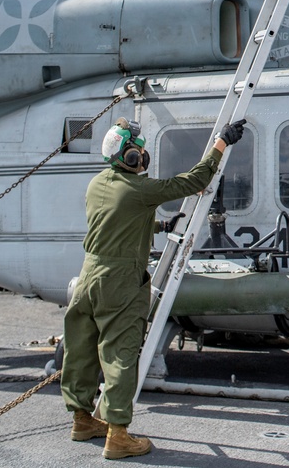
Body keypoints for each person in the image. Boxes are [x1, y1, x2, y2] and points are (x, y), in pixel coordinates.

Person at [60, 117, 246, 460]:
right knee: (120, 354)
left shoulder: (97, 184)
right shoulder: (140, 190)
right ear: (130, 158)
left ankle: (82, 420)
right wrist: (222, 143)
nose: (142, 157)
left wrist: (160, 225)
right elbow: (195, 181)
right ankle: (117, 435)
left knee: (81, 351)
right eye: (138, 152)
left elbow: (116, 220)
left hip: (88, 275)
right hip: (120, 281)